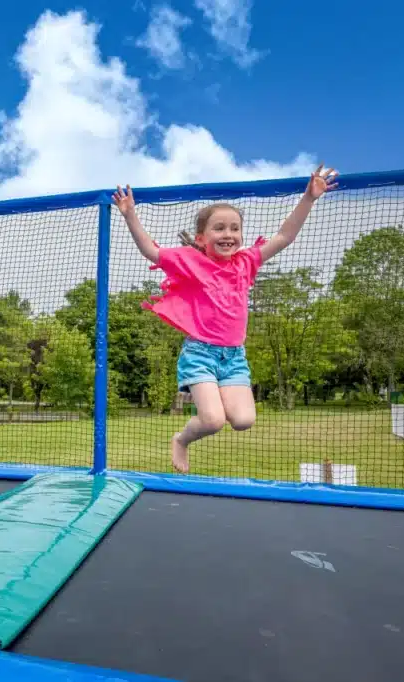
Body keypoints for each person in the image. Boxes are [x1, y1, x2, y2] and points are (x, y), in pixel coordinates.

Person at [112, 164, 339, 473]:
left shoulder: (247, 261)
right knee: (213, 420)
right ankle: (181, 439)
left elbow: (285, 236)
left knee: (244, 421)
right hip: (200, 353)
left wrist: (309, 198)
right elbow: (151, 251)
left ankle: (213, 400)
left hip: (234, 357)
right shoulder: (191, 260)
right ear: (202, 237)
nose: (228, 234)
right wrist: (130, 215)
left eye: (234, 228)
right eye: (219, 228)